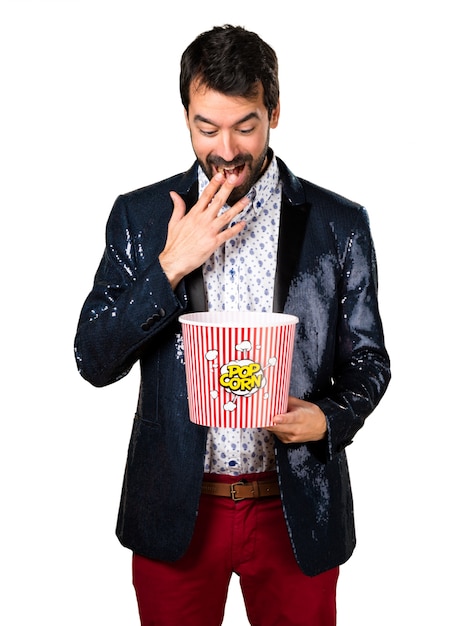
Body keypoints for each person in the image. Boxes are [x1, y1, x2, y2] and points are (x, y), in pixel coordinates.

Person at [74, 24, 391, 626]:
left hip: (293, 510)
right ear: (185, 116)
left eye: (245, 126)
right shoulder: (141, 217)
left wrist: (328, 418)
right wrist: (170, 266)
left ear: (274, 111)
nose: (225, 148)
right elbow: (93, 358)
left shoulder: (337, 224)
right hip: (176, 511)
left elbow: (370, 362)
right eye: (206, 127)